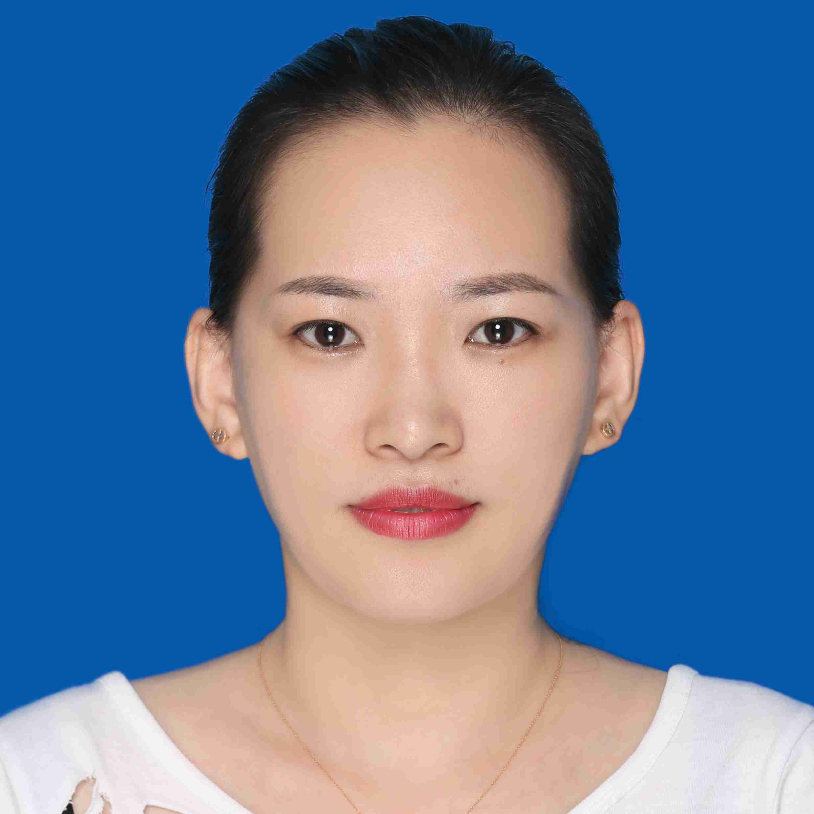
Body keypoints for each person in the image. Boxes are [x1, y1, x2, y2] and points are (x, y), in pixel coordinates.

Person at [1, 14, 812, 814]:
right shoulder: (33, 781)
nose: (415, 430)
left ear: (610, 375)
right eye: (329, 333)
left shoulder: (775, 779)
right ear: (219, 381)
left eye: (497, 331)